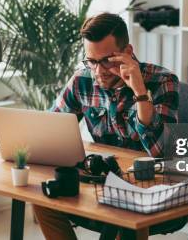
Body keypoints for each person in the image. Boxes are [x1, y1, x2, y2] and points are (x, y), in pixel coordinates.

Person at [33, 12, 179, 240]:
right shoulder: (82, 81)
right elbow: (50, 132)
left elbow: (163, 152)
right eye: (91, 61)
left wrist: (140, 94)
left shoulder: (162, 82)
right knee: (42, 198)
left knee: (127, 219)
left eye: (107, 61)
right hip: (101, 183)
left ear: (127, 52)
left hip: (149, 189)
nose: (98, 71)